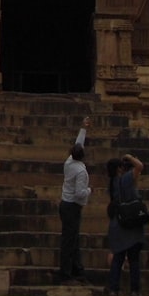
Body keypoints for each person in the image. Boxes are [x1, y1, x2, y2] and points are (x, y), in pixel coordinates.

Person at [106, 153, 145, 296]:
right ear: (119, 168)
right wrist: (130, 157)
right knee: (134, 259)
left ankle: (114, 289)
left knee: (118, 258)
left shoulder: (112, 183)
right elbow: (140, 166)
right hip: (132, 222)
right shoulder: (127, 179)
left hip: (117, 223)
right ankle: (135, 290)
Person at [58, 117, 92, 285]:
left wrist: (83, 129)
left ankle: (77, 270)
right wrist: (89, 190)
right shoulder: (80, 172)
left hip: (65, 203)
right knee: (69, 241)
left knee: (72, 239)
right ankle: (65, 273)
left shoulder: (68, 162)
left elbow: (79, 144)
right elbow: (80, 193)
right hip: (72, 205)